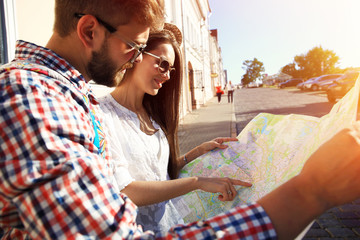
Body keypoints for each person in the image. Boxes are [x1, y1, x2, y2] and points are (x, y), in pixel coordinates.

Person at [2, 1, 360, 239]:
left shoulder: (72, 95)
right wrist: (308, 193)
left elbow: (135, 180)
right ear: (90, 31)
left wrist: (195, 156)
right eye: (135, 47)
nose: (135, 59)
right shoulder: (34, 98)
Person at [99, 23, 252, 232]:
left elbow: (157, 175)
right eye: (162, 64)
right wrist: (197, 182)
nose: (168, 75)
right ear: (137, 54)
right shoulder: (102, 114)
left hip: (172, 227)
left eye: (170, 69)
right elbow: (126, 190)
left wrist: (197, 152)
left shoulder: (152, 115)